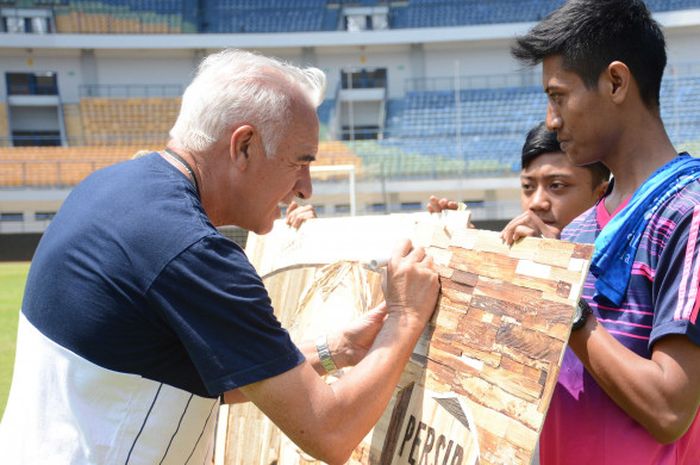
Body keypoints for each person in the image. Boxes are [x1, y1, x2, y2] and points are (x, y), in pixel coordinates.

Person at [0, 49, 440, 465]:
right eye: (299, 161)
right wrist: (403, 315)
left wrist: (336, 350)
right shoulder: (194, 253)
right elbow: (330, 431)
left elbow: (201, 374)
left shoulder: (110, 187)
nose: (306, 187)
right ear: (243, 146)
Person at [511, 1, 700, 463]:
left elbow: (670, 407)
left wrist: (568, 307)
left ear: (616, 82)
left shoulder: (688, 215)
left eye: (558, 96)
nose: (552, 120)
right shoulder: (578, 227)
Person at [427, 121, 609, 240]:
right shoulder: (516, 251)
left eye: (556, 186)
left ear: (602, 194)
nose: (537, 203)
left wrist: (554, 261)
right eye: (528, 186)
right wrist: (466, 243)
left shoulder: (624, 264)